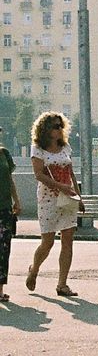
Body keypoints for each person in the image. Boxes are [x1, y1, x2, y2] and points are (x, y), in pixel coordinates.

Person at [26, 112, 82, 297]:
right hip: (48, 199)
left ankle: (62, 284)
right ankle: (34, 270)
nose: (59, 129)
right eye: (55, 126)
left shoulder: (65, 147)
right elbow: (39, 175)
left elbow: (72, 174)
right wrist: (61, 187)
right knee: (47, 242)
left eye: (61, 126)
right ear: (45, 129)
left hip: (67, 199)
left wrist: (79, 197)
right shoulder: (38, 148)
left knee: (67, 240)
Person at [0, 129, 21, 303]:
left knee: (4, 248)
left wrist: (17, 200)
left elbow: (10, 179)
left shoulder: (4, 154)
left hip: (4, 208)